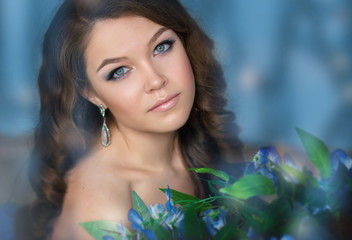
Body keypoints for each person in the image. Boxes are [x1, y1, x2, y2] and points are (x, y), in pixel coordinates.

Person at [20, 0, 244, 239]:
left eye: (161, 47)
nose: (156, 80)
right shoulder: (106, 207)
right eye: (119, 71)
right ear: (92, 94)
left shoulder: (199, 139)